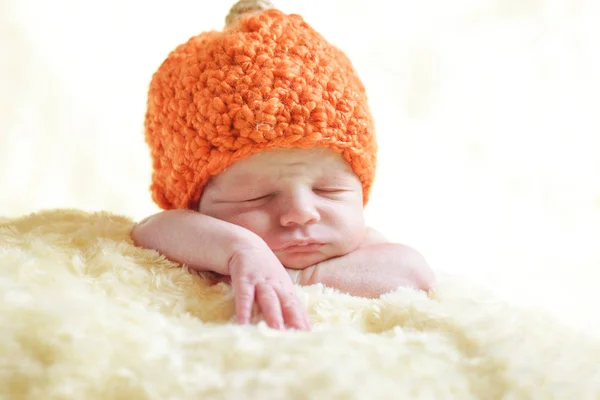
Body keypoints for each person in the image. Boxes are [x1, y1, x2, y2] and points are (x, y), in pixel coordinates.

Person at [131, 0, 435, 332]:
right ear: (195, 204)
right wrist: (240, 250)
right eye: (256, 196)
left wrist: (295, 277)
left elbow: (414, 273)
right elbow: (150, 229)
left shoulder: (362, 247)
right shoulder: (201, 238)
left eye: (328, 190)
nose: (302, 212)